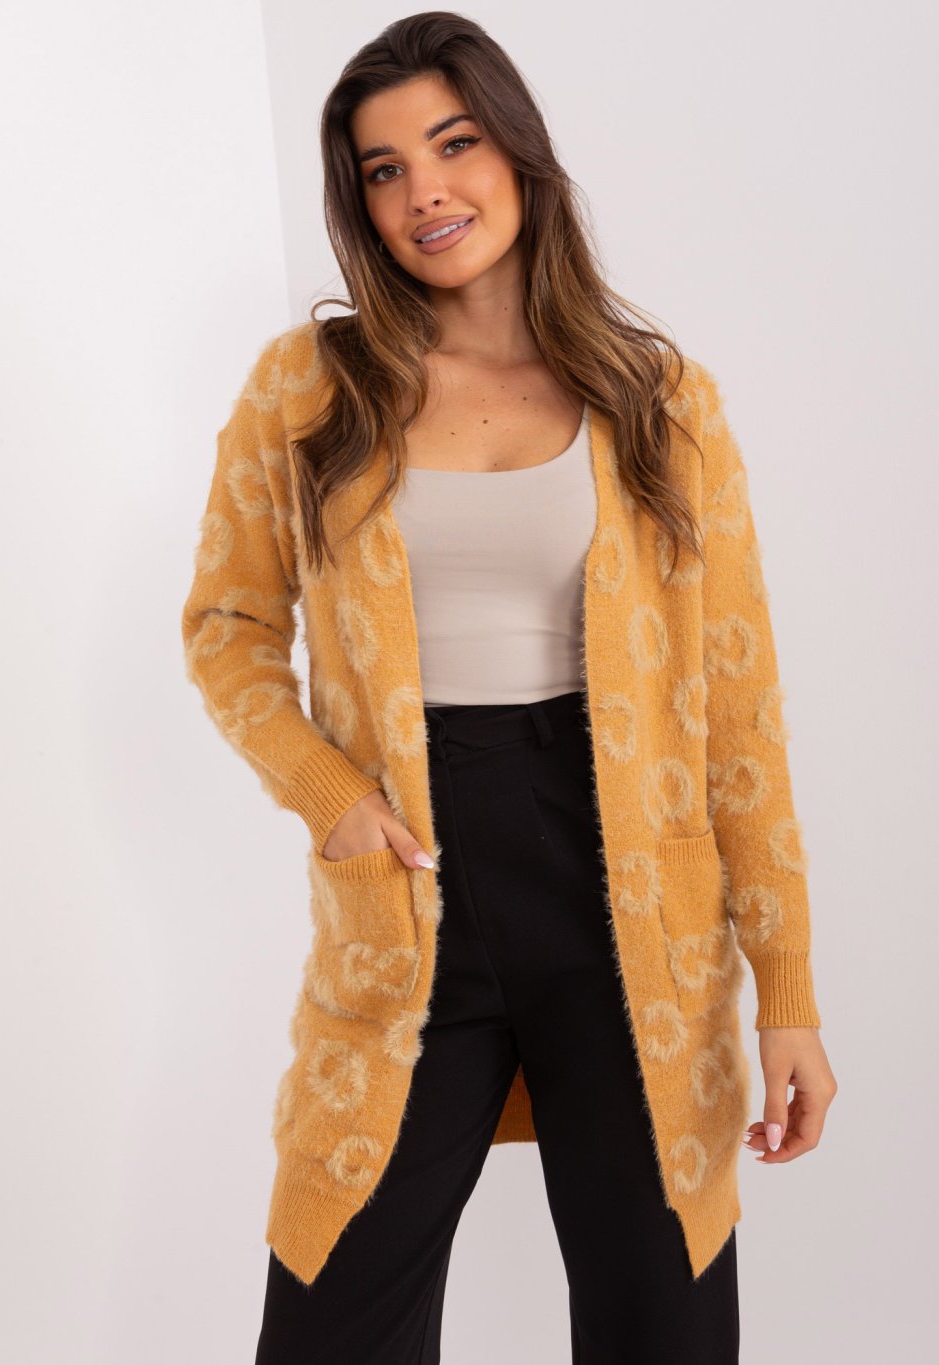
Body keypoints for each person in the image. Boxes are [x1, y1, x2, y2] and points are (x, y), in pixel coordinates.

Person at [181, 13, 838, 1364]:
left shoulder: (662, 402)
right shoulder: (308, 390)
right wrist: (330, 794)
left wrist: (788, 994)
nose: (424, 191)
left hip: (632, 905)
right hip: (409, 892)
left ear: (519, 152)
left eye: (453, 144)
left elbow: (739, 716)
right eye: (383, 170)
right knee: (331, 1318)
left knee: (662, 1318)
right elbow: (228, 626)